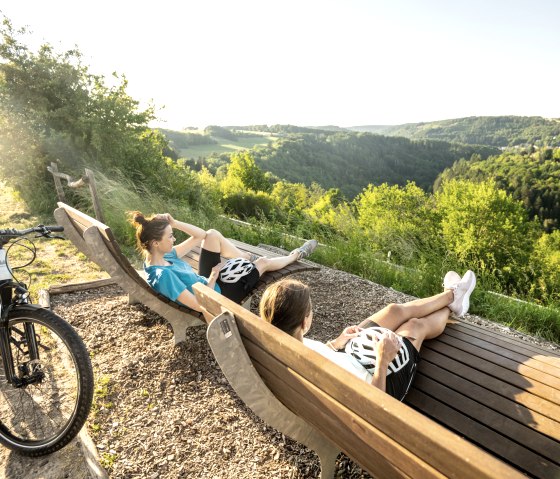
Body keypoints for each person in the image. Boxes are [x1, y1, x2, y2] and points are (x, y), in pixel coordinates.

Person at [259, 270, 476, 401]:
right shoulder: (311, 369)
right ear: (304, 321)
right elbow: (372, 405)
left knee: (393, 310)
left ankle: (452, 295)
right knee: (414, 326)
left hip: (349, 357)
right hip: (380, 381)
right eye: (310, 311)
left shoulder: (285, 340)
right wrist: (383, 359)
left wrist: (336, 343)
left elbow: (321, 355)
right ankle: (453, 306)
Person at [129, 211, 318, 312]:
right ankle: (296, 255)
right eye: (170, 236)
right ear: (155, 242)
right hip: (220, 294)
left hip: (206, 282)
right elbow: (201, 305)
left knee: (211, 235)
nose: (174, 239)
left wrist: (174, 222)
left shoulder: (161, 257)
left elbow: (201, 235)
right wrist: (213, 277)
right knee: (263, 263)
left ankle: (243, 258)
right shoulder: (164, 276)